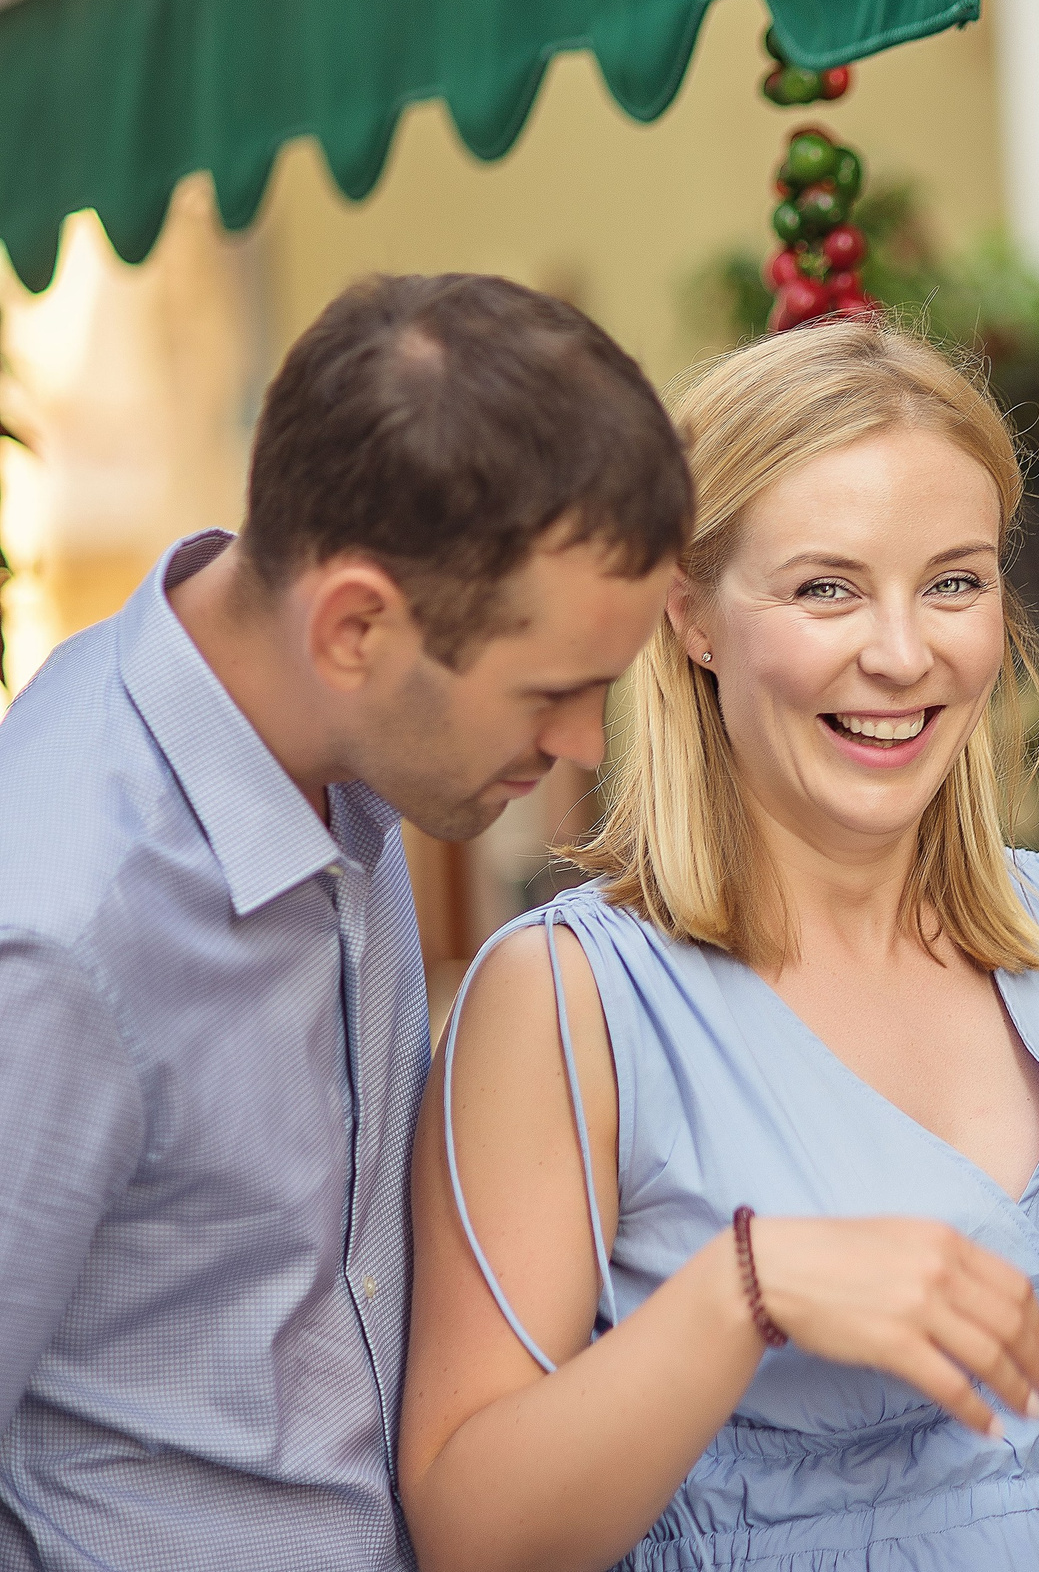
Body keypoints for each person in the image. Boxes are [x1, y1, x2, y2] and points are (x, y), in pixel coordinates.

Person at [400, 317, 1039, 1572]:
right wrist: (746, 1290)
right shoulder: (569, 994)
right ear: (687, 614)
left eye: (953, 581)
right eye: (825, 587)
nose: (904, 654)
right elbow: (471, 1528)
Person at [0, 274, 693, 1571]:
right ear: (356, 625)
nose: (582, 744)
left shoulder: (334, 738)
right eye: (553, 691)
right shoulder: (52, 934)